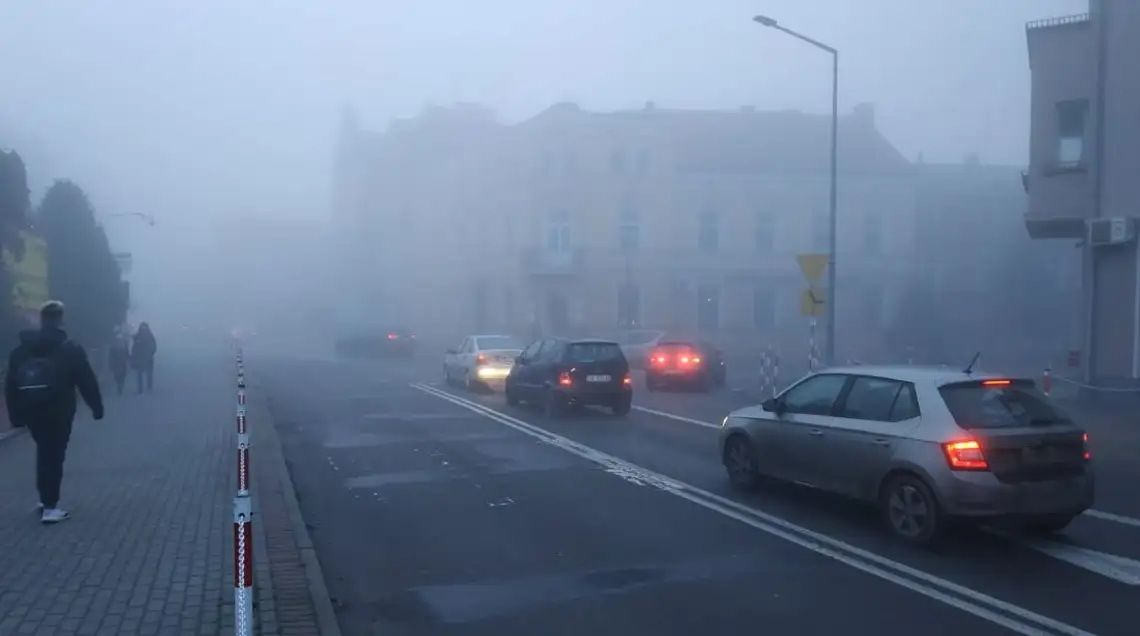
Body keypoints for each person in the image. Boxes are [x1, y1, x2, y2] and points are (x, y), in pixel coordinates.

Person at [5, 300, 104, 524]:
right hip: (59, 411)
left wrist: (15, 415)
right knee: (54, 456)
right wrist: (96, 407)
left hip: (31, 411)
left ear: (42, 319)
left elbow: (10, 384)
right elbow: (86, 380)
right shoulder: (70, 349)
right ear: (60, 320)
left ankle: (44, 499)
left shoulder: (21, 350)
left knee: (44, 451)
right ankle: (51, 506)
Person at [132, 322, 157, 394]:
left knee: (148, 373)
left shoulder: (150, 336)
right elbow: (135, 347)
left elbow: (154, 346)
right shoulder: (138, 336)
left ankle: (149, 386)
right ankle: (140, 389)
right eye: (142, 328)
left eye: (144, 328)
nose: (143, 329)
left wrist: (151, 353)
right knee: (140, 374)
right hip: (140, 358)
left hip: (148, 357)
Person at [108, 329, 130, 396]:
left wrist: (128, 358)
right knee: (117, 375)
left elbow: (126, 352)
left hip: (122, 361)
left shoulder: (124, 342)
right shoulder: (113, 343)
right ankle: (119, 384)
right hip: (116, 362)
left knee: (122, 375)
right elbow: (111, 353)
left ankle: (120, 386)